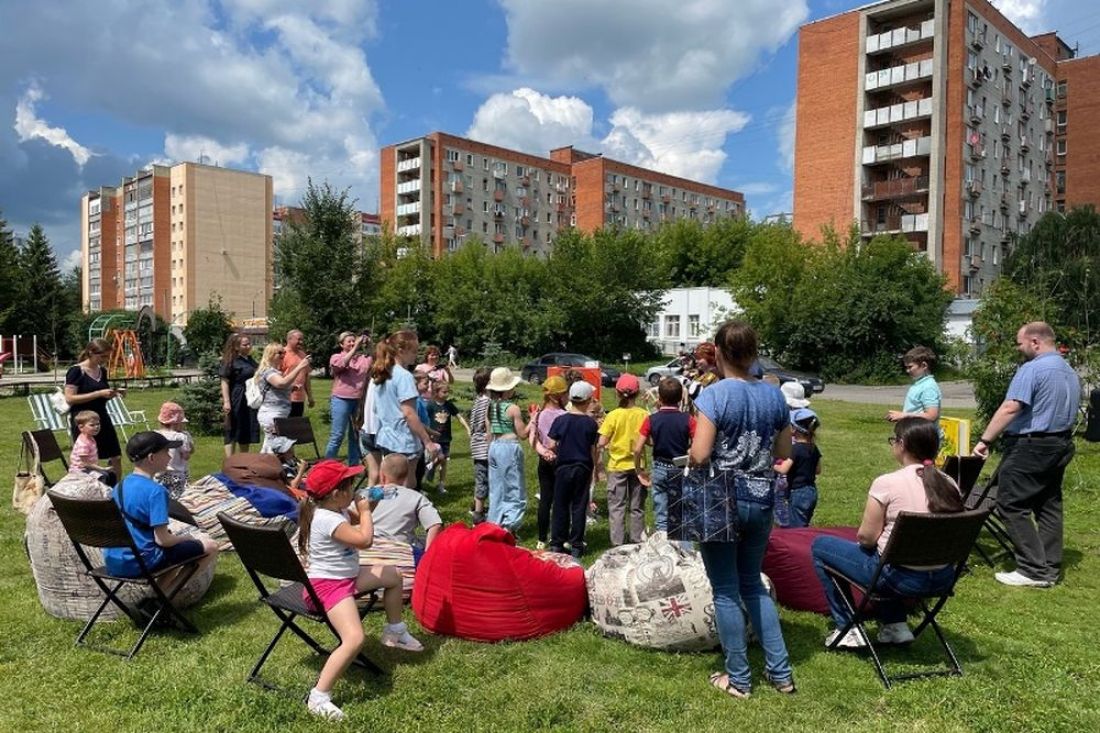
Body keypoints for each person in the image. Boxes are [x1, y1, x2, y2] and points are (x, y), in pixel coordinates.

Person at [686, 320, 795, 698]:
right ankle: (781, 675)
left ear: (716, 352)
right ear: (753, 352)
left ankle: (738, 678)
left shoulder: (714, 396)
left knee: (726, 591)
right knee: (753, 584)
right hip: (762, 495)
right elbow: (784, 453)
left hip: (720, 498)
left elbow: (700, 454)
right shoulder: (774, 396)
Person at [812, 418, 963, 648]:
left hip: (898, 579)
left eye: (894, 440)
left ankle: (847, 627)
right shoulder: (949, 483)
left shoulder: (888, 483)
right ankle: (895, 625)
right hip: (943, 577)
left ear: (901, 444)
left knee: (821, 546)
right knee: (889, 557)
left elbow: (866, 537)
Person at [297, 459, 423, 721]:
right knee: (355, 638)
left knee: (394, 575)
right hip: (327, 588)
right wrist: (364, 510)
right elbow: (364, 539)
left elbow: (361, 517)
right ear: (336, 495)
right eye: (351, 484)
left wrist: (371, 502)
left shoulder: (336, 510)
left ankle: (395, 631)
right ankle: (319, 695)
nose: (355, 488)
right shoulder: (326, 519)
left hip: (345, 577)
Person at [973, 321, 1079, 587]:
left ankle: (1032, 569)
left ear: (1035, 342)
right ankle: (1049, 567)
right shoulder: (1069, 371)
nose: (1019, 349)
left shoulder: (1032, 369)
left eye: (1020, 344)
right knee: (1048, 504)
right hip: (1060, 443)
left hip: (1032, 445)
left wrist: (985, 439)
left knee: (1010, 502)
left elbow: (1011, 407)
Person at [103, 432, 219, 597]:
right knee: (210, 546)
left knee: (173, 555)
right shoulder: (156, 491)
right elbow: (163, 540)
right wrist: (189, 538)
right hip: (141, 562)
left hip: (115, 561)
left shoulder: (120, 486)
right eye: (166, 452)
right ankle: (165, 600)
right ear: (152, 458)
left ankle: (156, 599)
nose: (169, 457)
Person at [370, 331, 442, 488]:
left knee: (389, 484)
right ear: (401, 351)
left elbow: (380, 409)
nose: (416, 355)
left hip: (387, 437)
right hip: (404, 440)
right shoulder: (404, 376)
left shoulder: (384, 373)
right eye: (414, 351)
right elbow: (409, 413)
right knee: (406, 485)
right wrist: (427, 442)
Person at [546, 381, 601, 558]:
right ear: (588, 400)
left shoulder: (560, 420)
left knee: (560, 504)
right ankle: (576, 544)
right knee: (579, 505)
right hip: (583, 467)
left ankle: (556, 543)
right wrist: (596, 469)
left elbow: (552, 444)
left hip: (563, 467)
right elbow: (593, 449)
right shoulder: (591, 424)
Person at [633, 377, 695, 533]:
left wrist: (638, 470)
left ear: (659, 398)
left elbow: (637, 448)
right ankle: (684, 550)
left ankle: (663, 545)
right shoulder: (688, 420)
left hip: (659, 467)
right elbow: (698, 444)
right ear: (681, 398)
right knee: (680, 512)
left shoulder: (651, 419)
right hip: (680, 467)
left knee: (661, 513)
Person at [598, 374, 649, 545]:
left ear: (617, 393)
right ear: (638, 393)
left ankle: (617, 543)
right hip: (638, 466)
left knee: (617, 506)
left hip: (617, 465)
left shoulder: (613, 415)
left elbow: (602, 441)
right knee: (637, 506)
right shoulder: (644, 414)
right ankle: (637, 540)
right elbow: (649, 441)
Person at [64, 338, 123, 480]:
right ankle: (85, 490)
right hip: (84, 420)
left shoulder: (102, 371)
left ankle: (115, 492)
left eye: (107, 356)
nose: (105, 360)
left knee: (116, 455)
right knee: (85, 459)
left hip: (101, 417)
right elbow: (70, 398)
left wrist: (113, 394)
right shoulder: (76, 371)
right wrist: (99, 393)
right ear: (91, 353)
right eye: (102, 356)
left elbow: (102, 395)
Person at [369, 454, 443, 561]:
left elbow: (348, 514)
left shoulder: (367, 493)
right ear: (407, 475)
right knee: (422, 539)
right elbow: (435, 525)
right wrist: (427, 556)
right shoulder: (416, 497)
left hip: (369, 547)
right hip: (401, 552)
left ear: (382, 475)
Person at [485, 366, 529, 533]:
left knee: (496, 488)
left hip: (494, 446)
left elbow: (489, 432)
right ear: (508, 389)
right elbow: (523, 434)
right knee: (514, 488)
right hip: (509, 447)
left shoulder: (490, 407)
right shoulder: (513, 408)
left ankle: (493, 523)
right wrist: (533, 420)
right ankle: (509, 525)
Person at [530, 375, 569, 549]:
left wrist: (543, 452)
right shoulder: (565, 415)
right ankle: (561, 536)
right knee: (562, 500)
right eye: (564, 392)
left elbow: (533, 437)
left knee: (545, 499)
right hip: (561, 460)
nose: (567, 395)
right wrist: (553, 452)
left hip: (544, 460)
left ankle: (541, 539)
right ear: (556, 396)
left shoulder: (539, 414)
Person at [254, 343, 312, 455]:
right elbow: (281, 384)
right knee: (275, 446)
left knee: (270, 446)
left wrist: (292, 388)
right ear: (270, 355)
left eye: (284, 352)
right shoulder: (268, 371)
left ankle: (265, 468)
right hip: (271, 414)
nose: (283, 355)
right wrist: (300, 367)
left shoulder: (275, 372)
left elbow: (279, 387)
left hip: (279, 413)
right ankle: (269, 468)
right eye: (280, 353)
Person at [326, 331, 372, 465]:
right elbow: (340, 366)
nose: (352, 343)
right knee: (337, 435)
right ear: (341, 344)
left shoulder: (363, 358)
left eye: (354, 341)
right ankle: (327, 465)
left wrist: (369, 345)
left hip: (358, 400)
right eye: (349, 342)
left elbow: (375, 358)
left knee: (356, 435)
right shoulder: (336, 357)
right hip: (341, 399)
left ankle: (353, 465)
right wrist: (355, 348)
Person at [775, 408, 822, 527]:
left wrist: (770, 464)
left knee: (796, 527)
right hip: (811, 491)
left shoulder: (795, 449)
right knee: (804, 522)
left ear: (795, 429)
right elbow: (818, 470)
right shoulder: (814, 448)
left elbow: (783, 469)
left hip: (798, 493)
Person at [424, 379, 469, 495]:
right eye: (444, 392)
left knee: (443, 463)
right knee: (441, 458)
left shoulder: (449, 405)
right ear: (436, 392)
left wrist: (468, 428)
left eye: (447, 391)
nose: (447, 394)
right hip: (433, 439)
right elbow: (424, 421)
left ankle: (441, 485)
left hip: (446, 438)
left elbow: (459, 416)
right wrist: (427, 433)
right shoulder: (430, 406)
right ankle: (431, 467)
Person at [220, 333, 259, 456]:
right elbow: (224, 381)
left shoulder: (250, 360)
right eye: (245, 344)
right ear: (236, 347)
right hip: (237, 396)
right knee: (232, 428)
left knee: (246, 427)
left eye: (249, 344)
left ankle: (243, 460)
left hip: (249, 397)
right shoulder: (231, 361)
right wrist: (226, 402)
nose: (248, 346)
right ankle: (230, 462)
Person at [887, 346, 941, 425]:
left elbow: (932, 415)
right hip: (914, 432)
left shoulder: (929, 386)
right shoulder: (919, 384)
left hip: (924, 435)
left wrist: (903, 416)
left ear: (924, 366)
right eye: (906, 367)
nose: (907, 371)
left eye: (910, 367)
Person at [468, 367, 492, 522]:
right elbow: (486, 420)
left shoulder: (478, 400)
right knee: (484, 479)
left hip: (477, 444)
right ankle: (478, 513)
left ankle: (478, 506)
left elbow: (472, 422)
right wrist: (490, 437)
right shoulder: (487, 401)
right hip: (484, 445)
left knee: (481, 477)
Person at [155, 402, 194, 498]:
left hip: (159, 474)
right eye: (182, 423)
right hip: (177, 475)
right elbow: (186, 456)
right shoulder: (180, 437)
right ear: (175, 424)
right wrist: (190, 446)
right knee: (179, 498)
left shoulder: (156, 435)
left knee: (161, 496)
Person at [69, 410, 117, 485]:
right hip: (80, 471)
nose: (96, 427)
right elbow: (85, 463)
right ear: (81, 427)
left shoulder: (89, 437)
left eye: (98, 424)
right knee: (103, 477)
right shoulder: (83, 444)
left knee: (111, 475)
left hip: (88, 468)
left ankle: (109, 493)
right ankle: (101, 494)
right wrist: (101, 468)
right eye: (92, 425)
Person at [283, 329, 314, 418]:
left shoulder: (303, 355)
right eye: (299, 339)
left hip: (299, 399)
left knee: (296, 428)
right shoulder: (282, 354)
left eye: (302, 339)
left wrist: (310, 396)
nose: (301, 342)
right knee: (285, 428)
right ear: (289, 339)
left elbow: (306, 376)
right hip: (285, 398)